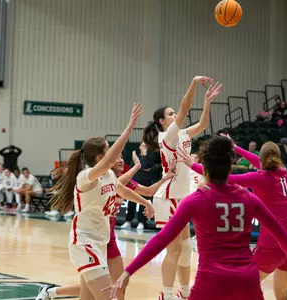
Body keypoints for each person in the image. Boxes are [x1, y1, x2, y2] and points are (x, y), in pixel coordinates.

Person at [109, 136, 287, 300]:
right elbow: (280, 232)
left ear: (204, 170)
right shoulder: (250, 198)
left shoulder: (195, 200)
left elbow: (162, 239)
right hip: (246, 280)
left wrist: (129, 271)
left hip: (211, 279)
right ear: (230, 168)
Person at [44, 103, 156, 300]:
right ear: (100, 157)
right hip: (85, 243)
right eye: (109, 149)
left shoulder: (110, 177)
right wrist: (129, 128)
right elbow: (106, 163)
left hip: (100, 242)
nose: (115, 153)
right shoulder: (86, 176)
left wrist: (147, 203)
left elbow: (125, 192)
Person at [179, 136, 287, 300]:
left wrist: (192, 165)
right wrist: (236, 147)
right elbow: (257, 160)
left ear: (261, 160)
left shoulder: (259, 178)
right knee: (281, 295)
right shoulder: (284, 172)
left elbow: (222, 177)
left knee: (238, 289)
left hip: (274, 244)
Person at [35, 151, 174, 300]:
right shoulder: (101, 181)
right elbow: (118, 183)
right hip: (91, 239)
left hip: (109, 240)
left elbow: (149, 191)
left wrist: (165, 178)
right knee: (92, 291)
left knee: (119, 285)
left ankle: (50, 292)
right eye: (117, 157)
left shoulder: (122, 181)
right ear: (105, 161)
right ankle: (51, 292)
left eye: (122, 156)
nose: (121, 160)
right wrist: (137, 167)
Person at [141, 76, 222, 300]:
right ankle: (167, 295)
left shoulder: (183, 134)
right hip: (168, 198)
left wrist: (207, 102)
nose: (174, 114)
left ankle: (185, 293)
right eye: (170, 113)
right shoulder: (166, 136)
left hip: (181, 197)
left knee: (186, 249)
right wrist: (194, 84)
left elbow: (204, 125)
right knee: (175, 250)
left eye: (173, 112)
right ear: (161, 122)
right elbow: (185, 107)